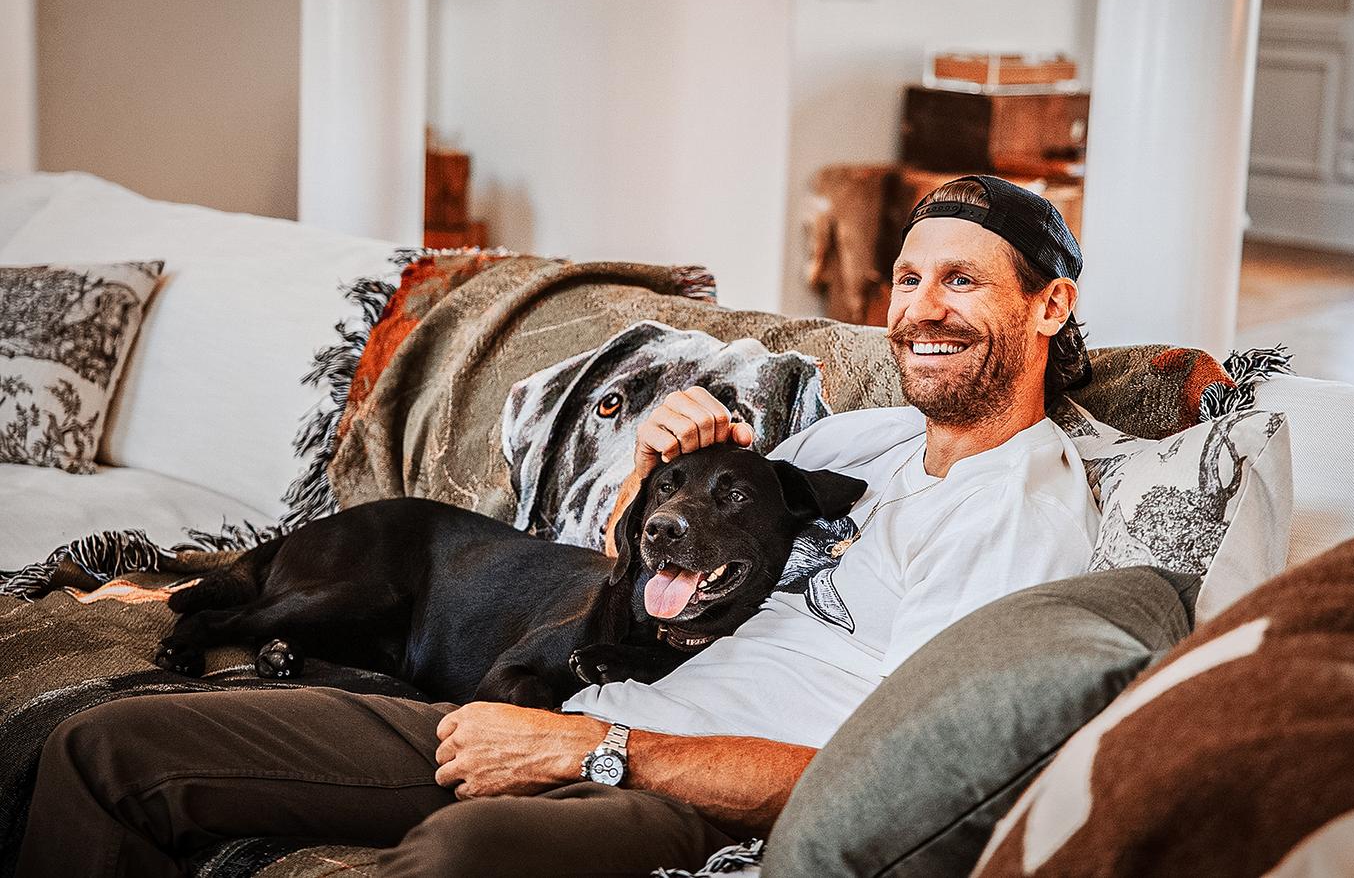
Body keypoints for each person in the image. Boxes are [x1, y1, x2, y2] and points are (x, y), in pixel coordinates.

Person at [16, 176, 1100, 878]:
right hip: (560, 708)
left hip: (686, 792)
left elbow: (897, 777)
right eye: (908, 278)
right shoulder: (859, 442)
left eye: (963, 280)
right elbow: (649, 558)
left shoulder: (1018, 511)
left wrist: (599, 749)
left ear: (1048, 305)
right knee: (108, 748)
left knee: (462, 857)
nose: (920, 308)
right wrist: (647, 471)